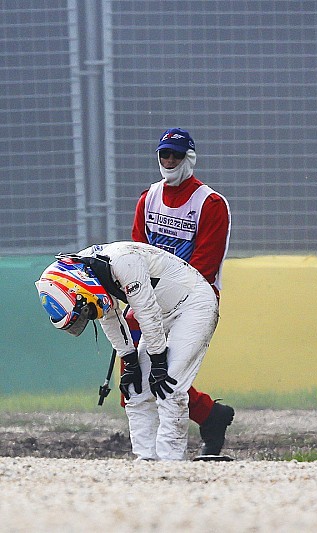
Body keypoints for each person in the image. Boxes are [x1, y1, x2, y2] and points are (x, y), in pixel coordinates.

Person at [35, 242, 219, 460]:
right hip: (162, 312)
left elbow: (146, 310)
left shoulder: (124, 261)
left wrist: (158, 359)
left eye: (85, 311)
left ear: (78, 288)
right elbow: (108, 316)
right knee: (135, 389)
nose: (90, 315)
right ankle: (146, 459)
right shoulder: (87, 271)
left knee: (169, 385)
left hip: (194, 304)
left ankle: (171, 462)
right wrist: (129, 360)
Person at [127, 127, 234, 456]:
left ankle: (170, 462)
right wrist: (137, 300)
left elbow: (204, 268)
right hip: (150, 300)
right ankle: (206, 417)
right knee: (134, 381)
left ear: (190, 158)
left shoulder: (211, 204)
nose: (169, 160)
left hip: (193, 303)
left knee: (168, 379)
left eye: (176, 154)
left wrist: (150, 295)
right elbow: (137, 254)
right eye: (164, 154)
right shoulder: (148, 199)